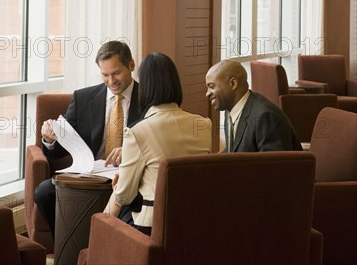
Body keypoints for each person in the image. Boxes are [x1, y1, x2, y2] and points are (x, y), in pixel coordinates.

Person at [35, 40, 141, 238]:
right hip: (89, 174)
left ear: (131, 65)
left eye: (117, 73)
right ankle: (68, 245)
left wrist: (131, 152)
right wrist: (49, 139)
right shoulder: (83, 98)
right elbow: (59, 151)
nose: (111, 81)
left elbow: (157, 143)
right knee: (44, 192)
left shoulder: (147, 98)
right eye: (105, 75)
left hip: (131, 176)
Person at [104, 52, 212, 235]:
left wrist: (117, 188)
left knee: (111, 217)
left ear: (145, 86)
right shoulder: (203, 124)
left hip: (154, 226)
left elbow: (124, 195)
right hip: (197, 220)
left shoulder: (137, 132)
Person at [205, 59, 302, 152]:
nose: (207, 94)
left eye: (212, 87)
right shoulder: (230, 109)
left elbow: (275, 167)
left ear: (233, 83)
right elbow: (234, 151)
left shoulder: (266, 118)